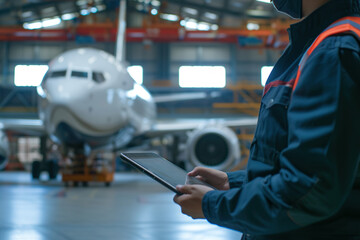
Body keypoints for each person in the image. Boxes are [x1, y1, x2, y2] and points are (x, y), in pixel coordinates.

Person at [173, 0, 360, 239]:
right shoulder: (322, 43)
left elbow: (309, 190)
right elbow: (325, 166)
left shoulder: (332, 49)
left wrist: (213, 205)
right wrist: (236, 182)